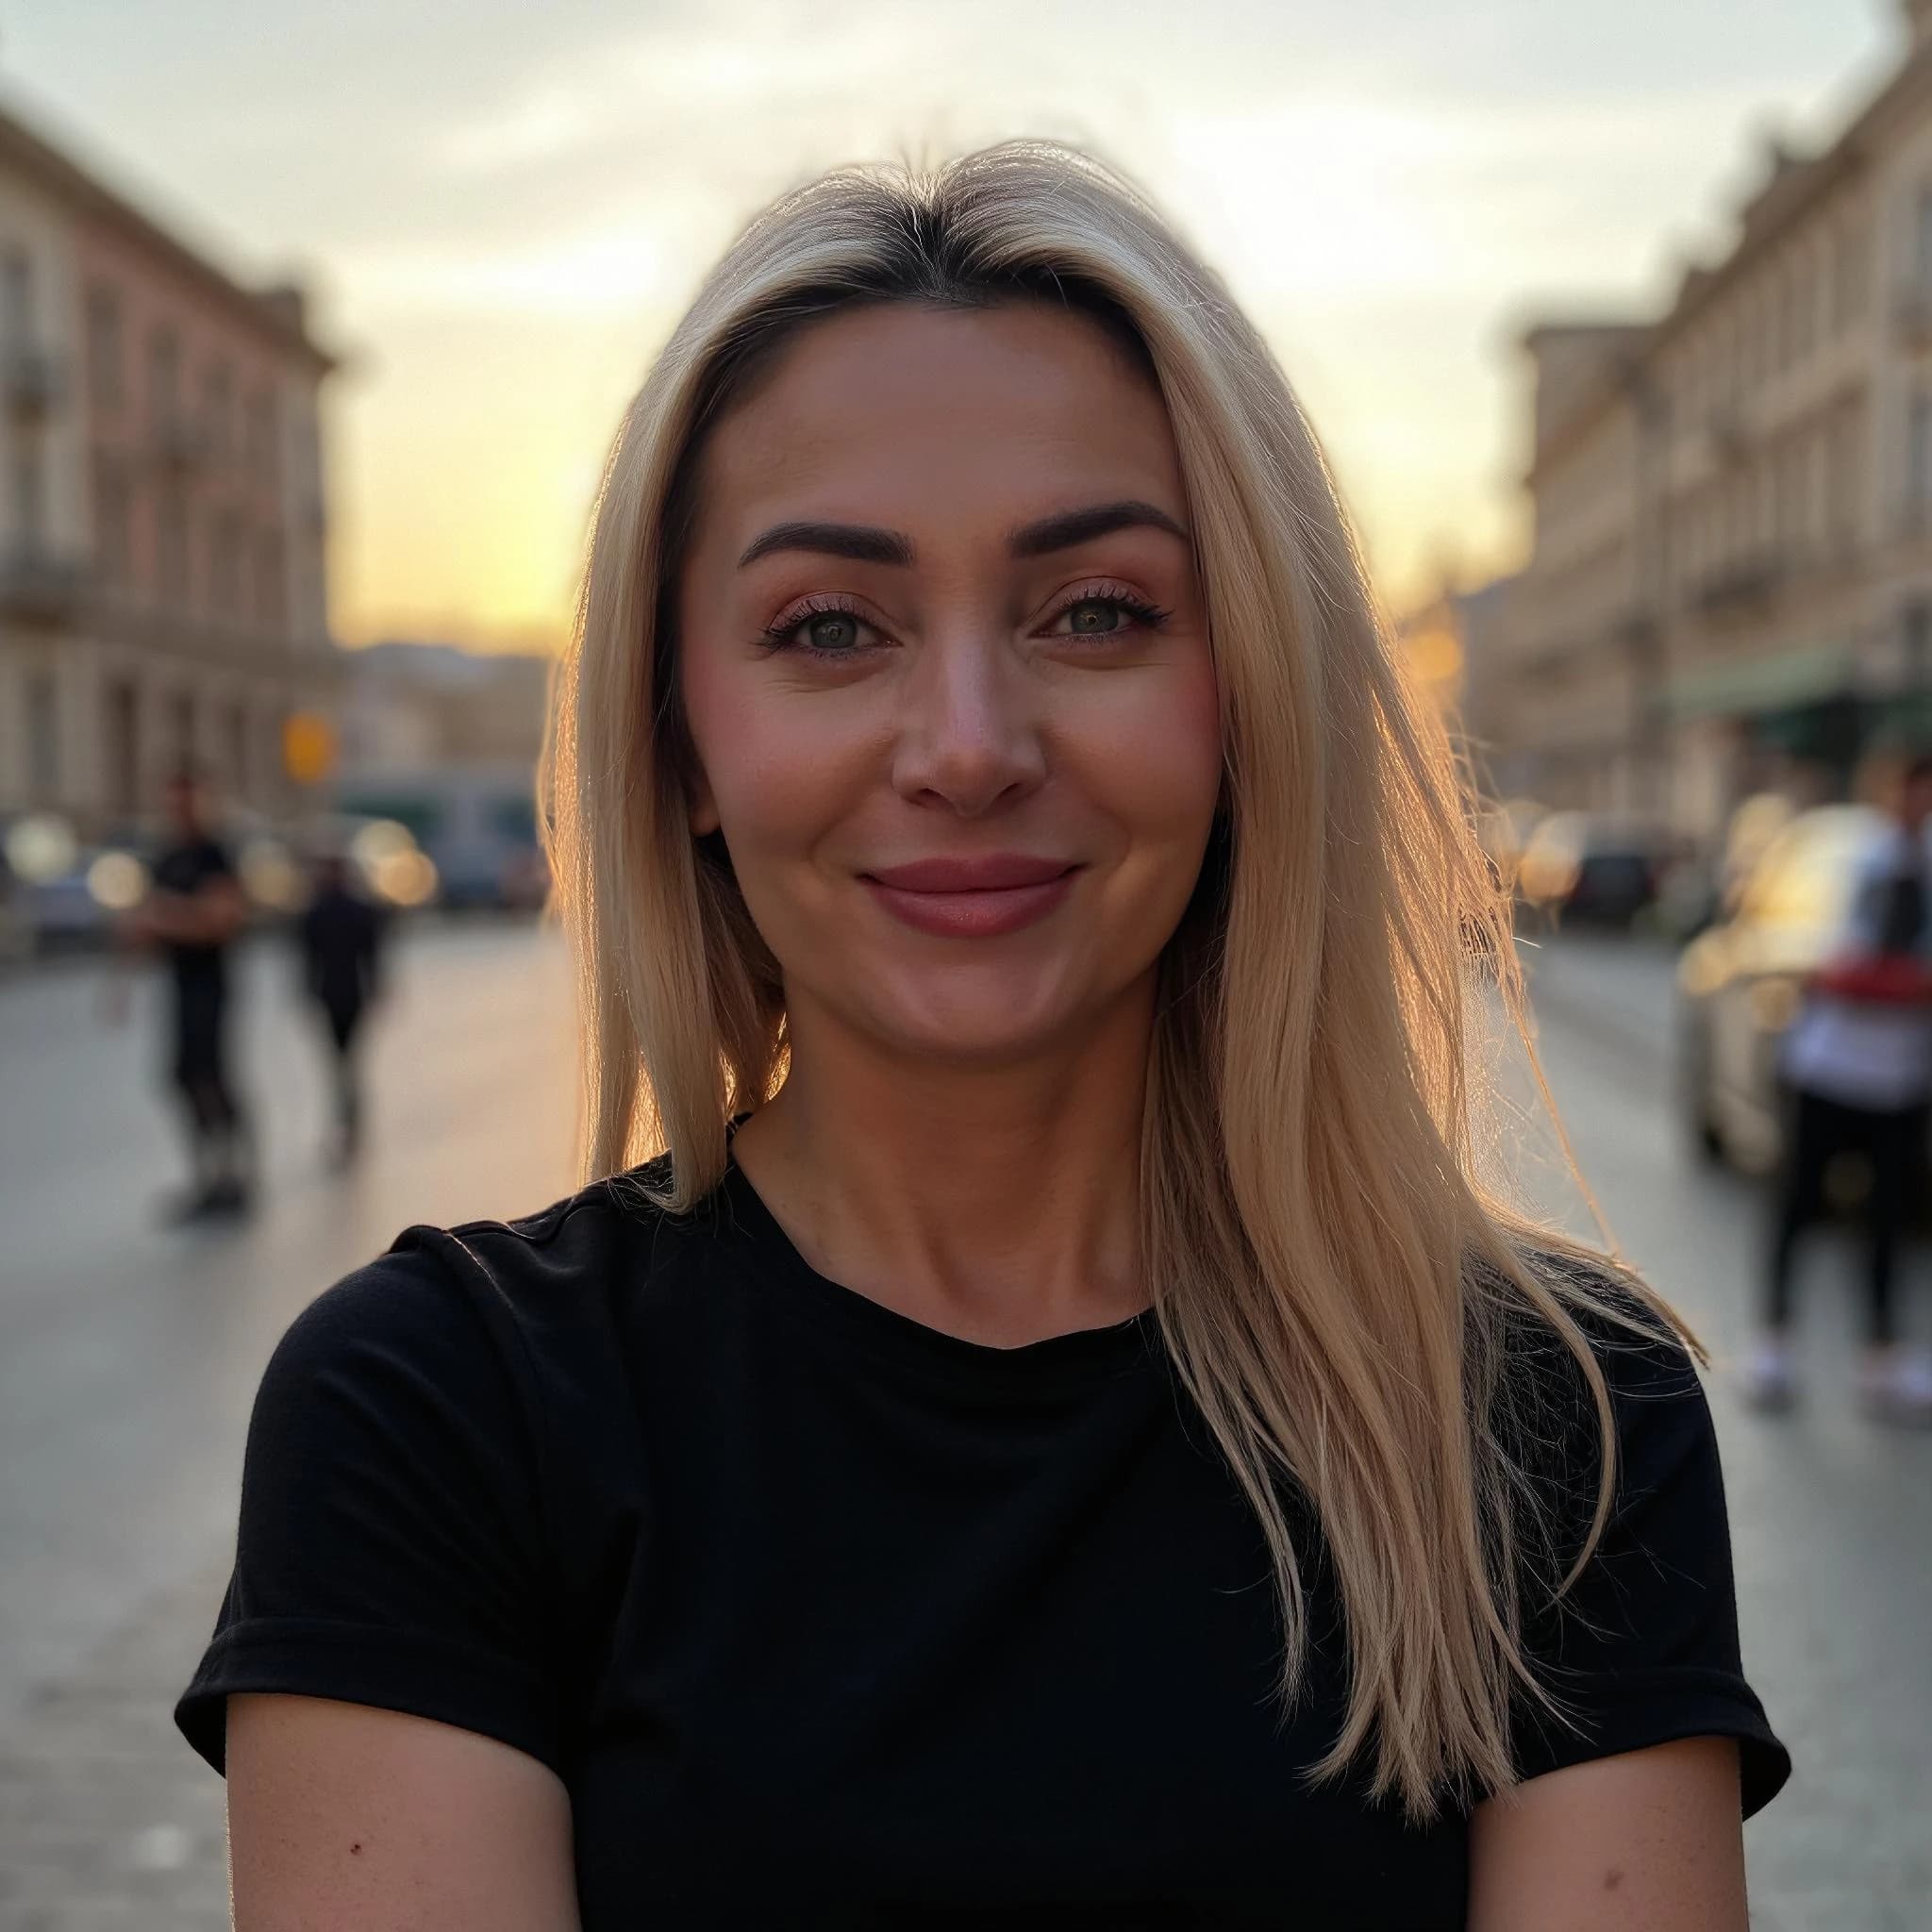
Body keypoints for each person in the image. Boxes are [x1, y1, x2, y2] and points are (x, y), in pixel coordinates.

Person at [176, 146, 1786, 1927]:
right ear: (680, 737)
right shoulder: (436, 1413)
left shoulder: (1551, 1420)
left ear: (1248, 698)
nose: (964, 742)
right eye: (829, 626)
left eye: (1094, 610)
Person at [1749, 751, 1932, 1420]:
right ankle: (1774, 1342)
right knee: (1798, 1207)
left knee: (1888, 1222)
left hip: (1899, 1079)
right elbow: (1824, 964)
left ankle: (1882, 1355)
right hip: (1829, 1067)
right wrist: (1893, 986)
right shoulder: (1851, 858)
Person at [135, 768, 254, 1221]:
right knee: (183, 1077)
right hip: (180, 984)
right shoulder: (166, 858)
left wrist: (168, 916)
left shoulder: (214, 854)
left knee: (213, 1076)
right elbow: (144, 927)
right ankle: (207, 1175)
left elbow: (220, 921)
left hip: (212, 984)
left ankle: (235, 1174)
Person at [296, 850, 385, 1167]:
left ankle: (349, 1126)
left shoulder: (328, 911)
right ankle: (348, 1126)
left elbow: (371, 956)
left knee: (344, 1065)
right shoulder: (326, 911)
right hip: (338, 996)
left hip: (344, 996)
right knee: (343, 1066)